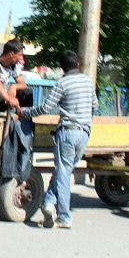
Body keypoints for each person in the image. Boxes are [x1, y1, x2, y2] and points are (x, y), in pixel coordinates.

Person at [20, 50, 98, 229]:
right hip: (84, 133)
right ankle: (48, 204)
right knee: (64, 171)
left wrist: (25, 112)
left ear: (61, 67)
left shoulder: (62, 83)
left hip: (67, 133)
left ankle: (64, 216)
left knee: (63, 173)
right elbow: (95, 106)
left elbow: (46, 108)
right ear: (78, 64)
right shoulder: (88, 82)